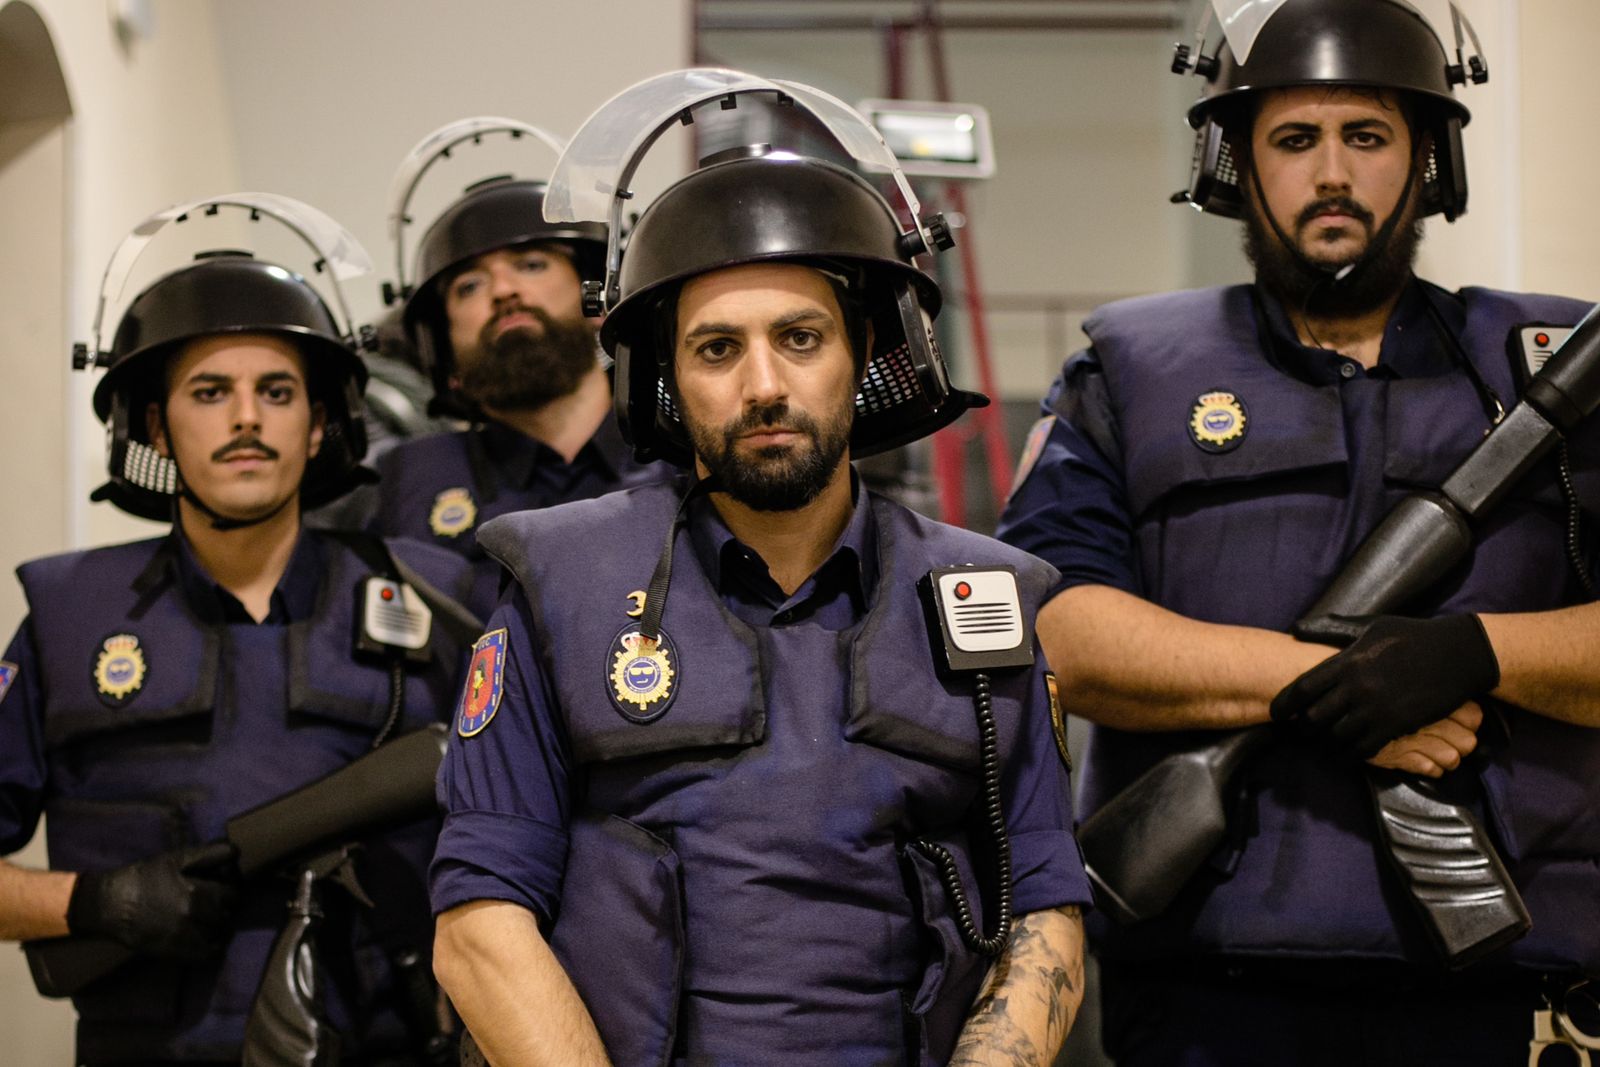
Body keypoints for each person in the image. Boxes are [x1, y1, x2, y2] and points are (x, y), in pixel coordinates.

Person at [429, 78, 1092, 1067]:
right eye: (716, 348)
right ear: (668, 377)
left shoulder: (979, 601)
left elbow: (1044, 910)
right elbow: (479, 929)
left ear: (862, 351)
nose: (764, 384)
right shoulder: (557, 585)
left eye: (799, 337)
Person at [997, 0, 1600, 1062]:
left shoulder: (1551, 367)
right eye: (1293, 139)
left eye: (1365, 137)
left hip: (1508, 993)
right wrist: (1319, 685)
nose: (1331, 174)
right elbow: (1059, 628)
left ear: (1424, 161)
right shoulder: (1131, 371)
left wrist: (1478, 653)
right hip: (1202, 985)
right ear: (1236, 161)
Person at [0, 206, 482, 1064]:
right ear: (155, 427)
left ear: (320, 423)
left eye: (278, 392)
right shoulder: (67, 618)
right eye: (210, 392)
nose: (246, 419)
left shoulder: (435, 595)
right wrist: (89, 905)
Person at [362, 142, 671, 603]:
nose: (504, 290)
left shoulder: (679, 449)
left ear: (596, 298)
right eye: (470, 286)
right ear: (441, 343)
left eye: (531, 264)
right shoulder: (405, 483)